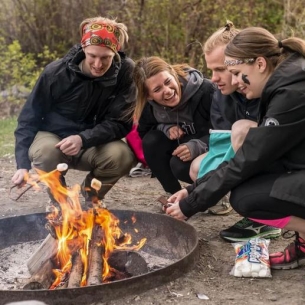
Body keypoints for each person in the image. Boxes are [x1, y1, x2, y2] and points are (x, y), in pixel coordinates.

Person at [166, 26, 305, 270]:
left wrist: (192, 204)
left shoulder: (292, 92)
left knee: (246, 199)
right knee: (246, 187)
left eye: (238, 73)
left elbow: (247, 160)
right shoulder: (286, 81)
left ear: (260, 64)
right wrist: (192, 190)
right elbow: (252, 157)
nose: (236, 81)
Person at [11, 16, 136, 206]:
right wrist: (22, 165)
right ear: (83, 48)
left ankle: (89, 201)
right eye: (92, 56)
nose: (98, 64)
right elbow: (28, 119)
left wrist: (83, 139)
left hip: (93, 142)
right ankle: (61, 203)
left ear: (115, 51)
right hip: (53, 138)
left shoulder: (126, 73)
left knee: (122, 155)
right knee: (45, 152)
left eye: (105, 58)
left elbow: (121, 123)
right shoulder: (56, 72)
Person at [189, 22, 281, 241]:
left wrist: (198, 195)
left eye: (221, 69)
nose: (213, 78)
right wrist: (197, 191)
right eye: (211, 70)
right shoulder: (221, 94)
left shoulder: (273, 89)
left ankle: (265, 217)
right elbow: (223, 147)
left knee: (242, 130)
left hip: (279, 165)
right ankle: (241, 205)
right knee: (197, 167)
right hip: (247, 158)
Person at [132, 56, 215, 195]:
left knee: (179, 166)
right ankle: (175, 194)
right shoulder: (150, 106)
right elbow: (144, 131)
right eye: (157, 89)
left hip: (210, 147)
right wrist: (165, 127)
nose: (168, 91)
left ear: (173, 74)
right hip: (183, 146)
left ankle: (215, 192)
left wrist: (199, 145)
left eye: (168, 81)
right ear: (149, 96)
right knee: (151, 141)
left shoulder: (207, 91)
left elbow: (225, 132)